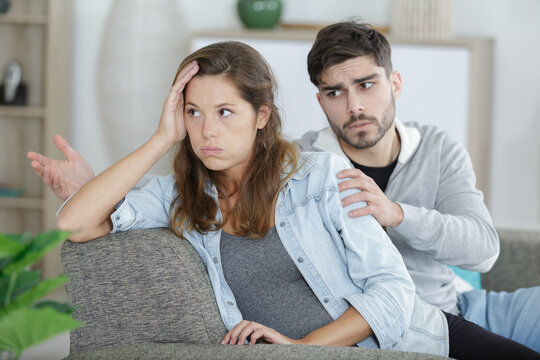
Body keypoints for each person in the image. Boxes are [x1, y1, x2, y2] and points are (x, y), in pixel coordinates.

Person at [27, 22, 540, 352]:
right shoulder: (179, 195)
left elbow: (396, 291)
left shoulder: (319, 174)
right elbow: (72, 224)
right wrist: (162, 136)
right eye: (193, 114)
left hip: (419, 331)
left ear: (261, 116)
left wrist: (301, 347)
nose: (207, 131)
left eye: (225, 112)